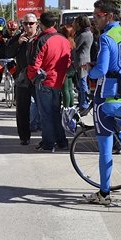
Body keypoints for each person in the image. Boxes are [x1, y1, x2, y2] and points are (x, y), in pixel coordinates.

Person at [82, 0, 121, 205]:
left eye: (97, 15)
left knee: (105, 146)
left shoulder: (107, 38)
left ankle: (104, 193)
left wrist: (89, 71)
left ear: (109, 16)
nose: (94, 20)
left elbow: (102, 70)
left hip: (106, 96)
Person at [26, 11, 72, 152]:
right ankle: (62, 142)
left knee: (46, 115)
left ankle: (48, 143)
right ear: (55, 23)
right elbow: (68, 61)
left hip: (44, 81)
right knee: (55, 113)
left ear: (40, 24)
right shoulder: (64, 39)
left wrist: (32, 78)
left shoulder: (42, 40)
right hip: (58, 81)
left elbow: (34, 64)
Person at [6, 13, 38, 145]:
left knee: (43, 108)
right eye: (26, 24)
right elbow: (8, 53)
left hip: (38, 77)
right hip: (22, 78)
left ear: (36, 24)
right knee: (22, 109)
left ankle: (47, 137)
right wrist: (18, 43)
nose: (28, 26)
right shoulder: (18, 38)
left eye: (31, 23)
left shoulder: (40, 38)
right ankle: (24, 136)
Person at [0, 20, 18, 106]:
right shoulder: (2, 36)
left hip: (11, 60)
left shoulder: (17, 37)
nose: (12, 31)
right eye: (10, 29)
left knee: (17, 79)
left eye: (14, 29)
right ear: (7, 29)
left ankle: (15, 99)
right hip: (1, 60)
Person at [73, 15, 94, 115]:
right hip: (86, 59)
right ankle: (83, 101)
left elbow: (75, 46)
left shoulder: (83, 35)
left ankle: (84, 103)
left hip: (81, 61)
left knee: (82, 82)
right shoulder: (89, 33)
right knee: (83, 81)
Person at [59, 24, 76, 108]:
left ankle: (66, 108)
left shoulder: (64, 43)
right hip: (72, 68)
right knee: (70, 89)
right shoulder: (72, 42)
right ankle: (71, 107)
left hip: (65, 68)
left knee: (65, 90)